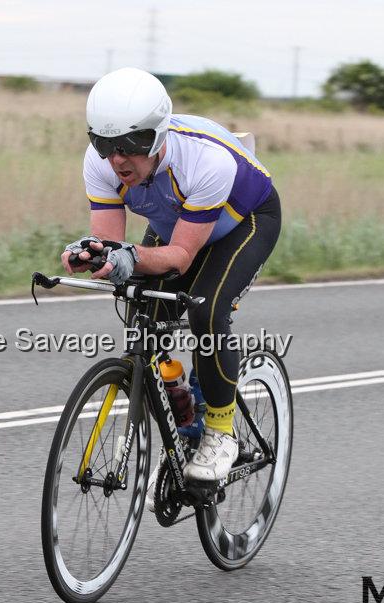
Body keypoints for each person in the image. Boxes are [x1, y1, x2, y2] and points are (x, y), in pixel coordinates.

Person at [61, 67, 281, 484]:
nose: (118, 158)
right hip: (177, 222)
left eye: (132, 143)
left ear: (159, 136)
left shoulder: (206, 161)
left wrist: (127, 256)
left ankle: (220, 432)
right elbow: (113, 250)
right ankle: (178, 399)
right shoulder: (101, 164)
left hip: (245, 221)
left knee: (207, 310)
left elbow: (180, 257)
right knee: (139, 302)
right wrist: (92, 256)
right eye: (105, 143)